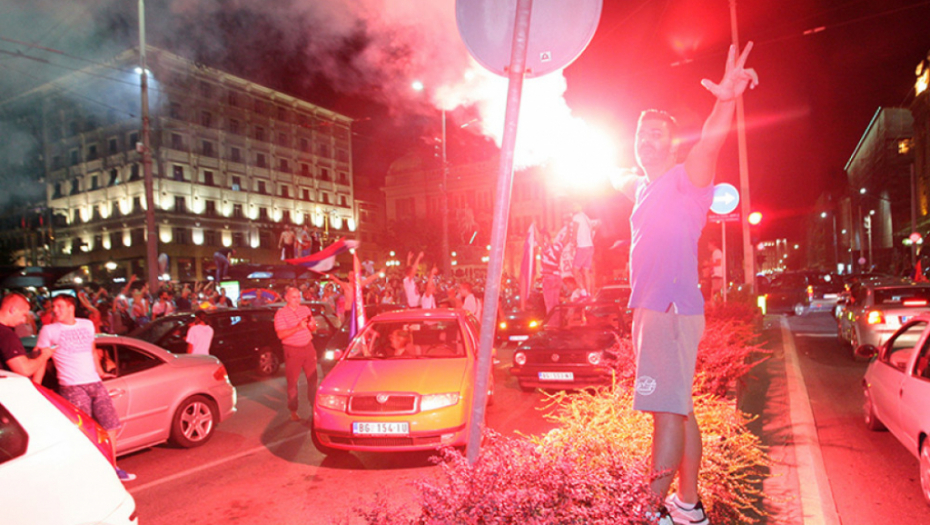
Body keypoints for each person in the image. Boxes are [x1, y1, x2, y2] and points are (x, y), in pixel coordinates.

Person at [609, 42, 758, 525]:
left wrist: (727, 100)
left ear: (671, 143)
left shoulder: (685, 178)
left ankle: (652, 512)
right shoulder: (643, 186)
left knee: (665, 414)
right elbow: (621, 179)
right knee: (680, 406)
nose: (646, 140)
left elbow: (711, 142)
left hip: (668, 310)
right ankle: (688, 507)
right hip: (659, 309)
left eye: (656, 134)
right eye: (641, 134)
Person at [34, 295, 136, 482]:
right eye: (54, 307)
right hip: (72, 386)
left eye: (59, 306)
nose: (55, 310)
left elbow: (92, 350)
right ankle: (89, 472)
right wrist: (36, 386)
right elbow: (42, 360)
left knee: (110, 425)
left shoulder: (86, 324)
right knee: (84, 431)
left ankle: (112, 466)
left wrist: (101, 371)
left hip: (95, 382)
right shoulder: (48, 330)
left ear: (71, 307)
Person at [274, 286, 318, 422]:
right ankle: (293, 410)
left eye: (299, 297)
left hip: (308, 347)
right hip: (292, 350)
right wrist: (298, 327)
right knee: (293, 382)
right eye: (294, 297)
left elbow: (314, 328)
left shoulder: (305, 309)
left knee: (313, 380)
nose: (297, 300)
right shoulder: (281, 313)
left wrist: (312, 325)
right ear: (286, 298)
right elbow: (281, 334)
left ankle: (314, 407)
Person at [1, 292, 54, 379]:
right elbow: (25, 370)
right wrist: (44, 355)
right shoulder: (7, 335)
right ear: (13, 310)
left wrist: (29, 357)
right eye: (24, 315)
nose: (24, 320)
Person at [570, 202, 599, 298]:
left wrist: (573, 244)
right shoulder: (586, 217)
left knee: (574, 270)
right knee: (586, 271)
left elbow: (574, 231)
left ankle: (583, 291)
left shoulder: (576, 217)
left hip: (582, 247)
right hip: (590, 246)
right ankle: (589, 293)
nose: (573, 208)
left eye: (574, 205)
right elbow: (591, 232)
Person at [539, 229, 565, 314]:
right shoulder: (557, 247)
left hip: (548, 277)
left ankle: (552, 325)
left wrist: (534, 225)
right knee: (555, 304)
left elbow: (540, 242)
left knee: (550, 305)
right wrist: (568, 227)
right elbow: (565, 240)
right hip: (557, 277)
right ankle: (556, 324)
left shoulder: (546, 248)